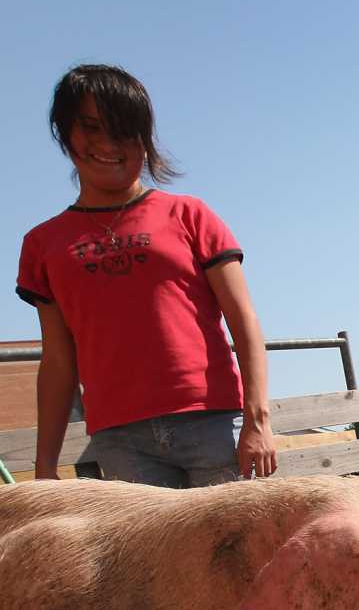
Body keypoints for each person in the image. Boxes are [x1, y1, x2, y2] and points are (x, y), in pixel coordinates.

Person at [17, 64, 276, 486]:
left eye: (124, 130)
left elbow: (243, 321)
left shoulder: (190, 215)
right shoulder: (42, 245)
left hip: (211, 422)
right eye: (91, 128)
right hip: (121, 438)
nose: (107, 144)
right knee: (155, 556)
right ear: (65, 134)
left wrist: (258, 419)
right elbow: (58, 360)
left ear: (145, 138)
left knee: (238, 553)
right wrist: (45, 466)